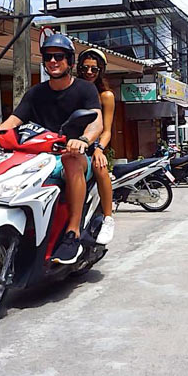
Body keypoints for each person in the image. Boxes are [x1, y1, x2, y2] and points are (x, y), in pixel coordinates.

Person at [0, 34, 103, 265]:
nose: (53, 61)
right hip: (39, 156)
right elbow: (14, 120)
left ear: (69, 60)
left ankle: (72, 232)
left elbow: (96, 122)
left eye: (59, 56)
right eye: (49, 57)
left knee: (72, 160)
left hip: (73, 155)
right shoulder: (36, 93)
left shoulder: (85, 89)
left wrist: (84, 140)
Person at [77, 47, 116, 245]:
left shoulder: (106, 96)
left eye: (94, 69)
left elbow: (107, 129)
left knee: (100, 168)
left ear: (101, 71)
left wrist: (99, 148)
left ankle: (108, 217)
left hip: (95, 145)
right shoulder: (73, 90)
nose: (89, 73)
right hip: (72, 143)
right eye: (85, 69)